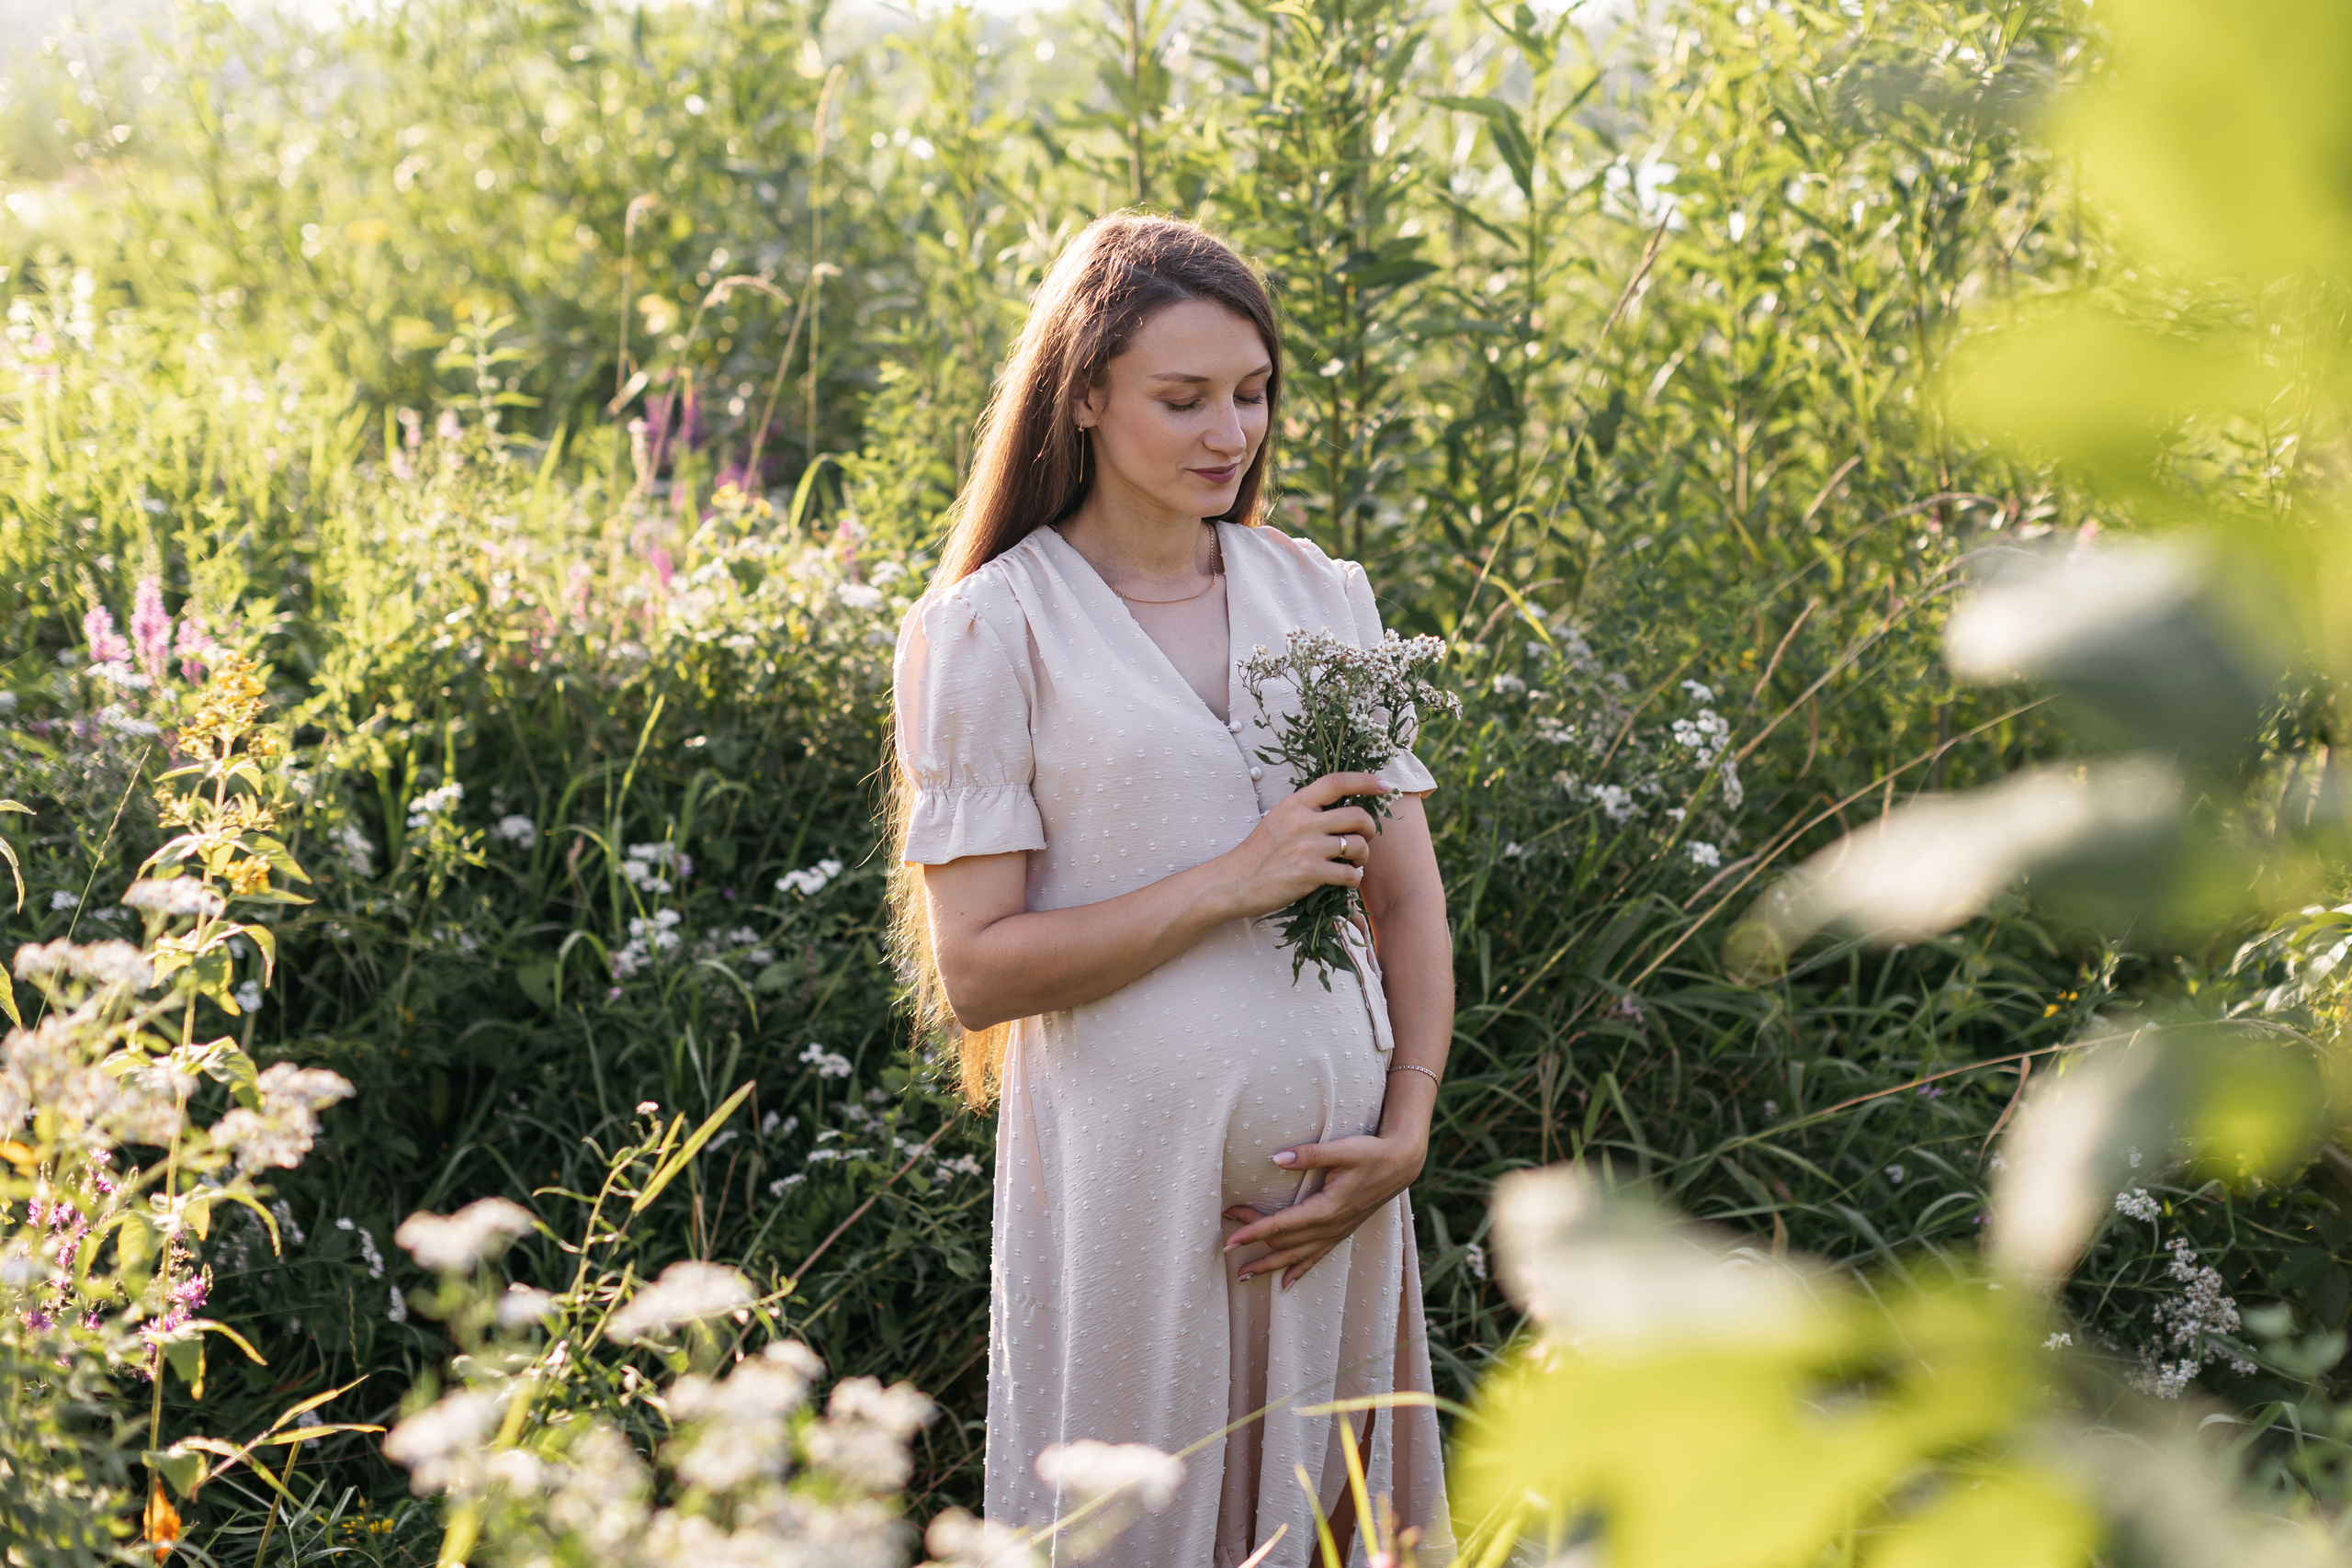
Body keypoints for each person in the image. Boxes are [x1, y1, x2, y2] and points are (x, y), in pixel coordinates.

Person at [888, 212, 1455, 1567]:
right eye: (1183, 397)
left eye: (1252, 394)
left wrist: (1409, 1130)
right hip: (1130, 1195)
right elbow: (981, 967)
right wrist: (1232, 882)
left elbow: (1407, 903)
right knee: (1134, 1526)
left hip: (1335, 1203)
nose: (1231, 432)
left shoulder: (1321, 596)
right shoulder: (993, 627)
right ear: (1084, 397)